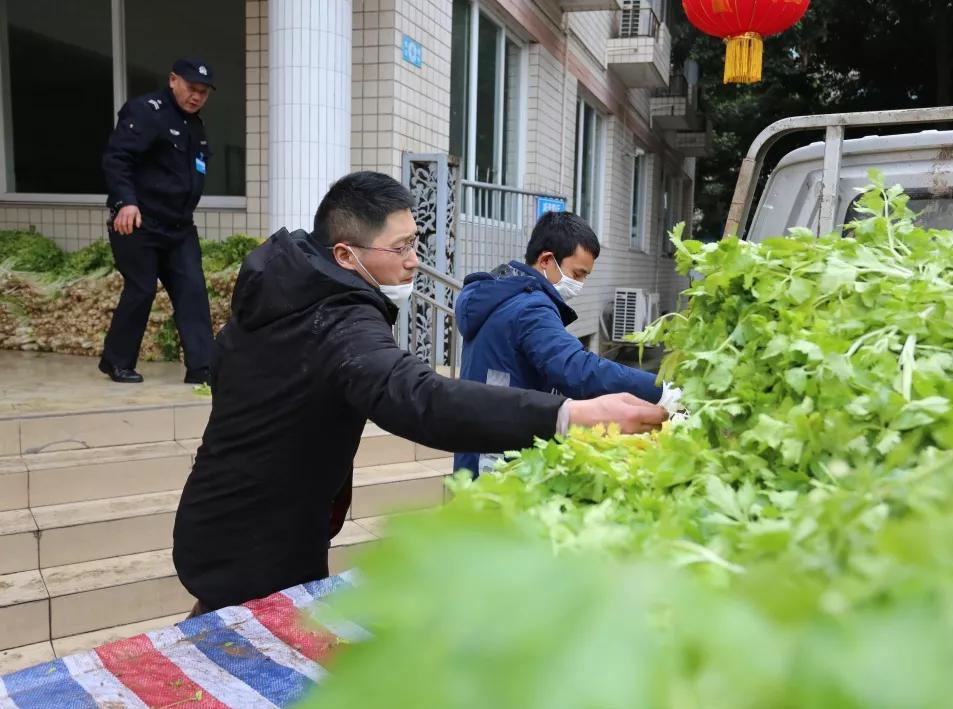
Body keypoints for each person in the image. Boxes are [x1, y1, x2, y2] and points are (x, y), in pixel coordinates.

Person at [172, 171, 667, 613]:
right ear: (345, 254)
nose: (414, 262)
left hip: (238, 518)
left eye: (416, 244)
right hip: (255, 536)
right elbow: (419, 396)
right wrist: (568, 416)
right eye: (401, 248)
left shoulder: (289, 290)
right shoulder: (337, 320)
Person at [453, 211, 681, 476]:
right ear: (546, 260)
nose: (580, 284)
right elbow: (575, 368)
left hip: (486, 433)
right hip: (498, 446)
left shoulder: (505, 294)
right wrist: (659, 390)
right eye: (577, 274)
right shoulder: (529, 307)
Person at [99, 58, 217, 384]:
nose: (197, 96)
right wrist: (126, 202)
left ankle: (202, 367)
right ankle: (117, 361)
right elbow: (117, 158)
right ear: (173, 80)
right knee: (141, 289)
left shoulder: (195, 124)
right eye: (192, 88)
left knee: (192, 289)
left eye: (203, 92)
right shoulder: (145, 111)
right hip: (138, 222)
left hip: (179, 226)